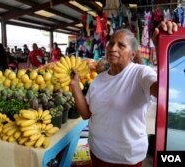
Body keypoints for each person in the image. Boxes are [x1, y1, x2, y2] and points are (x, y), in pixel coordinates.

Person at [70, 21, 178, 167]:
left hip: (126, 159)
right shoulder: (99, 79)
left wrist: (160, 47)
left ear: (132, 54)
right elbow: (86, 114)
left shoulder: (141, 73)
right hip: (97, 152)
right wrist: (75, 86)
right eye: (111, 43)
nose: (113, 48)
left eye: (121, 45)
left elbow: (164, 92)